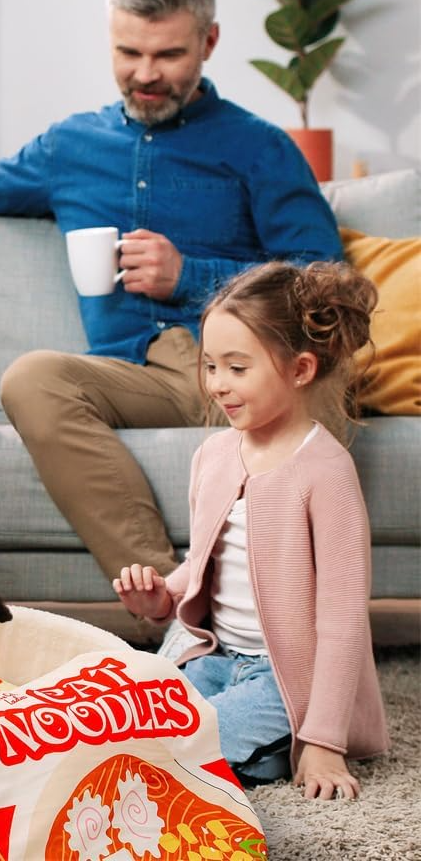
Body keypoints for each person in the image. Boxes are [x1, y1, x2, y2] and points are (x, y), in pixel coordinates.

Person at [0, 0, 342, 584]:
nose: (145, 74)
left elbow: (323, 276)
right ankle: (165, 599)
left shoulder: (259, 147)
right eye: (128, 53)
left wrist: (189, 275)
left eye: (168, 55)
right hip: (130, 374)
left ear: (209, 41)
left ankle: (228, 609)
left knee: (312, 391)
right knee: (30, 379)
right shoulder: (70, 147)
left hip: (229, 366)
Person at [114, 260, 389, 797]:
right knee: (132, 716)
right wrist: (161, 599)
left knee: (174, 748)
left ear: (301, 369)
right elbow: (201, 567)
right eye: (210, 366)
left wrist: (325, 741)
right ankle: (258, 755)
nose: (218, 385)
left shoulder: (326, 472)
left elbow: (343, 620)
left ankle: (274, 747)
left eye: (237, 369)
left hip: (285, 680)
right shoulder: (214, 454)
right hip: (212, 655)